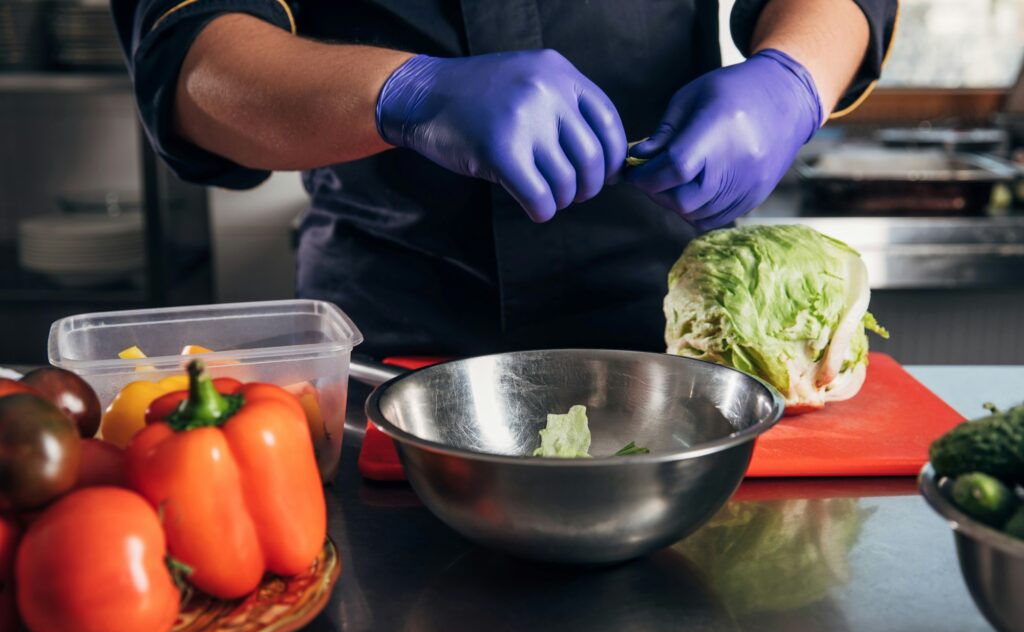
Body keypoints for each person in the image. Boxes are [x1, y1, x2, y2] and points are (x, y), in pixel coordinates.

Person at [112, 0, 897, 357]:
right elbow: (192, 64)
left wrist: (792, 76)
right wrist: (404, 94)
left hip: (676, 341)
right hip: (393, 338)